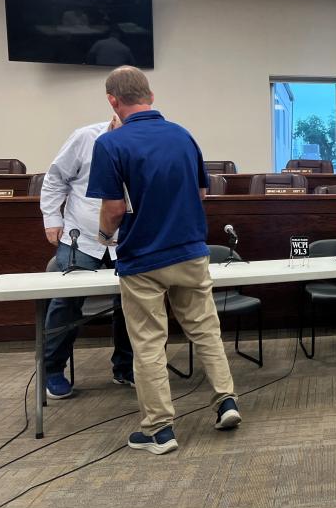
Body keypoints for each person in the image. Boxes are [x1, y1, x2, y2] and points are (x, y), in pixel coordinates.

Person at [86, 66, 240, 455]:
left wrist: (105, 239)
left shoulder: (111, 144)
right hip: (190, 251)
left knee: (149, 344)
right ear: (150, 96)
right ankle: (226, 401)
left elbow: (114, 208)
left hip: (142, 259)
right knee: (206, 331)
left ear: (112, 101)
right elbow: (202, 194)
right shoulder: (183, 135)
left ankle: (159, 430)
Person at [40, 116, 134, 399]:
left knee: (132, 304)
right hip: (81, 237)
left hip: (126, 237)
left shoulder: (141, 140)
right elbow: (56, 178)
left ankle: (126, 367)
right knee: (66, 303)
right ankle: (53, 369)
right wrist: (51, 218)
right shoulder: (84, 137)